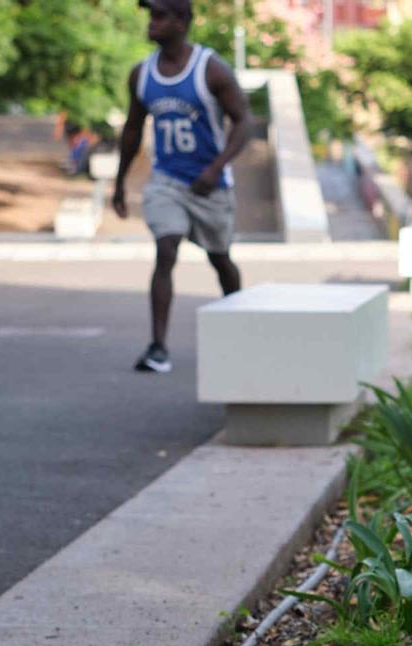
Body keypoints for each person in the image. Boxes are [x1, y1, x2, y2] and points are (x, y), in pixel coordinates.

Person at [111, 0, 257, 374]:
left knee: (220, 259)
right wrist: (120, 182)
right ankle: (158, 346)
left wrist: (216, 167)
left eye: (159, 15)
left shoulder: (210, 69)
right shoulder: (141, 74)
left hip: (210, 184)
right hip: (168, 180)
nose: (151, 23)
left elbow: (243, 122)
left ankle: (241, 328)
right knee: (166, 247)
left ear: (181, 21)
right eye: (150, 15)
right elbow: (131, 130)